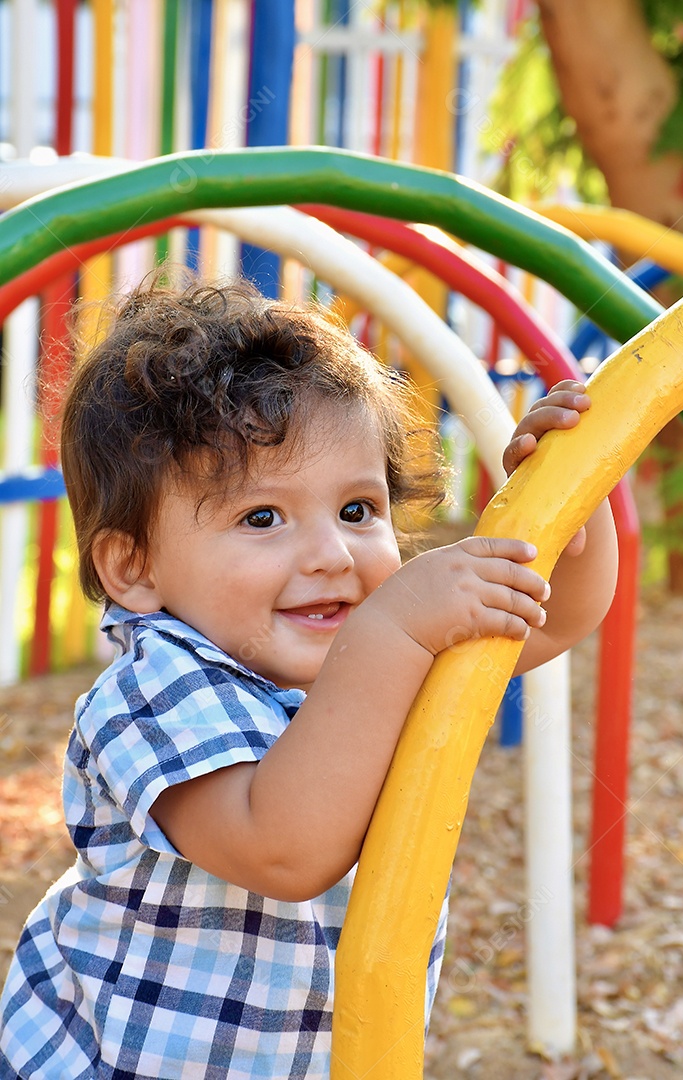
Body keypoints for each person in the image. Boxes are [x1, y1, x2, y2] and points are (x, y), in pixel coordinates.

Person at [0, 276, 617, 1080]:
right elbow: (285, 848)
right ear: (135, 567)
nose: (331, 554)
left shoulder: (379, 652)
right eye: (262, 518)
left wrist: (567, 499)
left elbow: (556, 618)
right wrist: (389, 634)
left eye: (358, 510)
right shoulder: (153, 691)